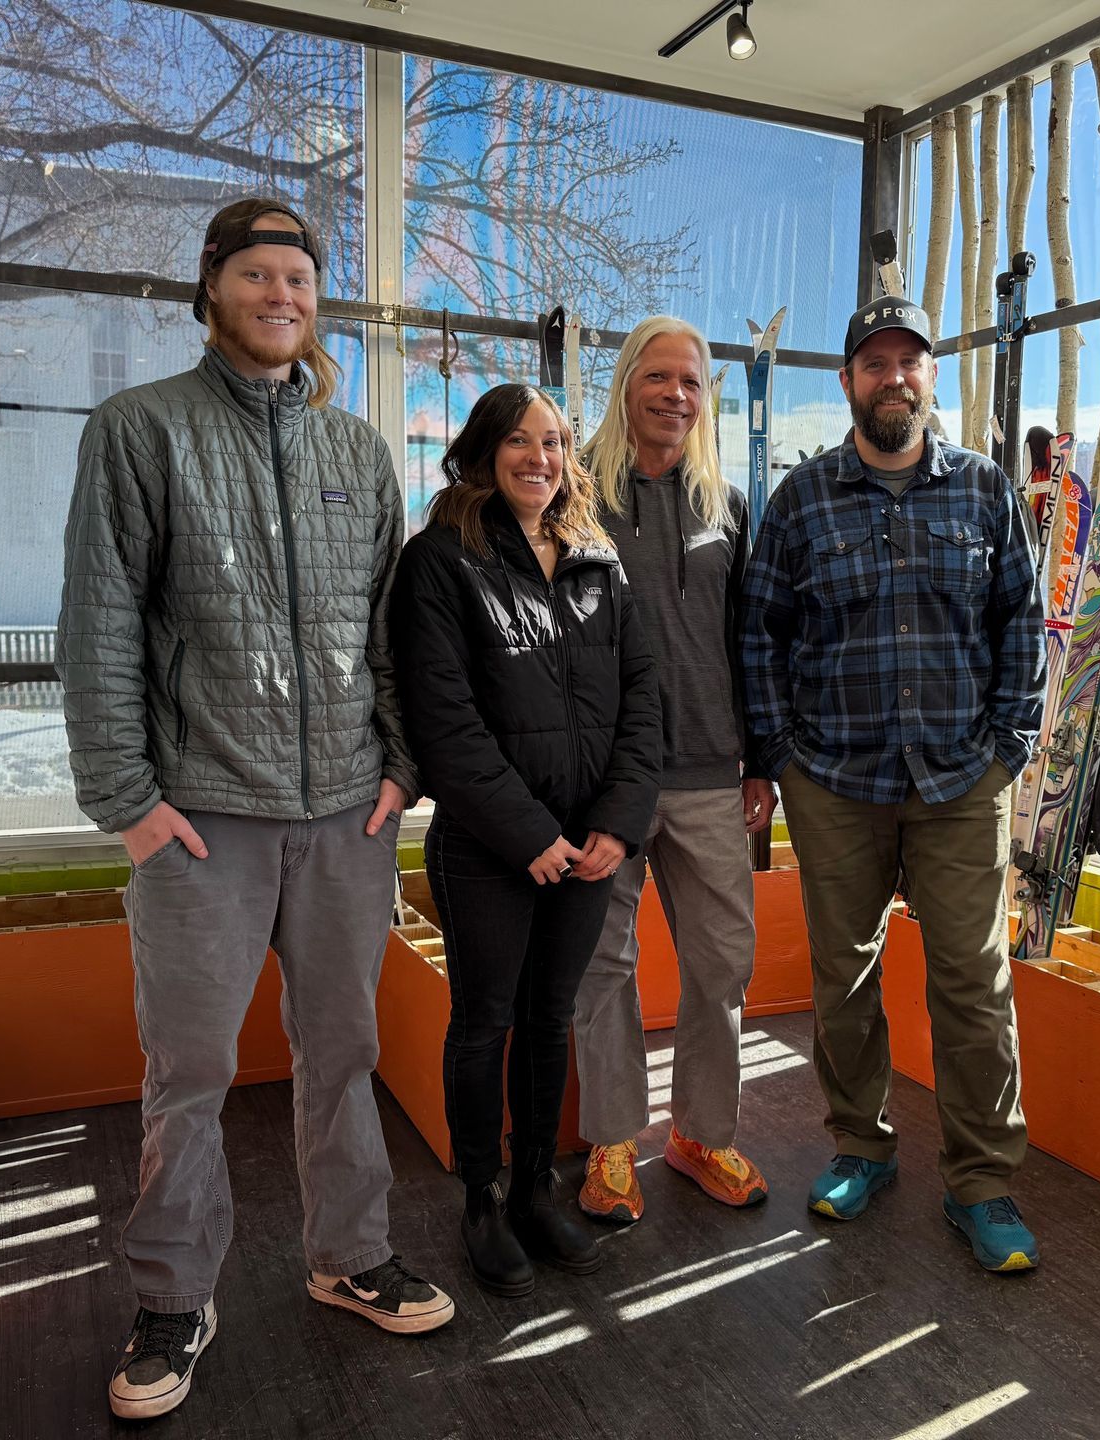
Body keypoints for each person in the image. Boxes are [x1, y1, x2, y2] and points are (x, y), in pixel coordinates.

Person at [57, 198, 453, 1423]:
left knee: (345, 1054)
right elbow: (102, 624)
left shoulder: (355, 452)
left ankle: (348, 1256)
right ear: (212, 287)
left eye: (299, 276)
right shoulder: (140, 431)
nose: (283, 293)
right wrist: (128, 803)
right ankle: (176, 1296)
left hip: (347, 813)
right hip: (201, 818)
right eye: (258, 273)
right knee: (190, 1070)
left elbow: (392, 632)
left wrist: (400, 769)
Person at [738, 296, 1046, 1272]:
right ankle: (861, 1147)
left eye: (910, 361)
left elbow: (1022, 628)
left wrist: (1010, 745)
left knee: (972, 983)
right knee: (845, 977)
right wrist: (780, 754)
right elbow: (759, 634)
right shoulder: (802, 501)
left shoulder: (987, 493)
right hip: (834, 779)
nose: (894, 377)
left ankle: (982, 1182)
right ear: (848, 384)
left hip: (962, 780)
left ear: (932, 376)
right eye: (875, 363)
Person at [393, 383, 661, 1296]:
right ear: (480, 451)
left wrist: (616, 829)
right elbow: (444, 721)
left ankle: (537, 1189)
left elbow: (642, 706)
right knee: (485, 1022)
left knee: (551, 1019)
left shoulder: (599, 560)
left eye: (553, 442)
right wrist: (529, 835)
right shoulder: (441, 561)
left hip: (590, 851)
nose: (539, 457)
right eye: (518, 440)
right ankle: (481, 1196)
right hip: (488, 851)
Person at [569, 317, 773, 1222]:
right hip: (609, 782)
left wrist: (760, 758)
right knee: (603, 967)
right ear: (626, 386)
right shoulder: (576, 497)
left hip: (708, 776)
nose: (675, 396)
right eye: (658, 378)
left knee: (721, 964)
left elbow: (753, 640)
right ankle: (612, 1140)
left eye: (691, 382)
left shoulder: (725, 504)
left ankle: (699, 1133)